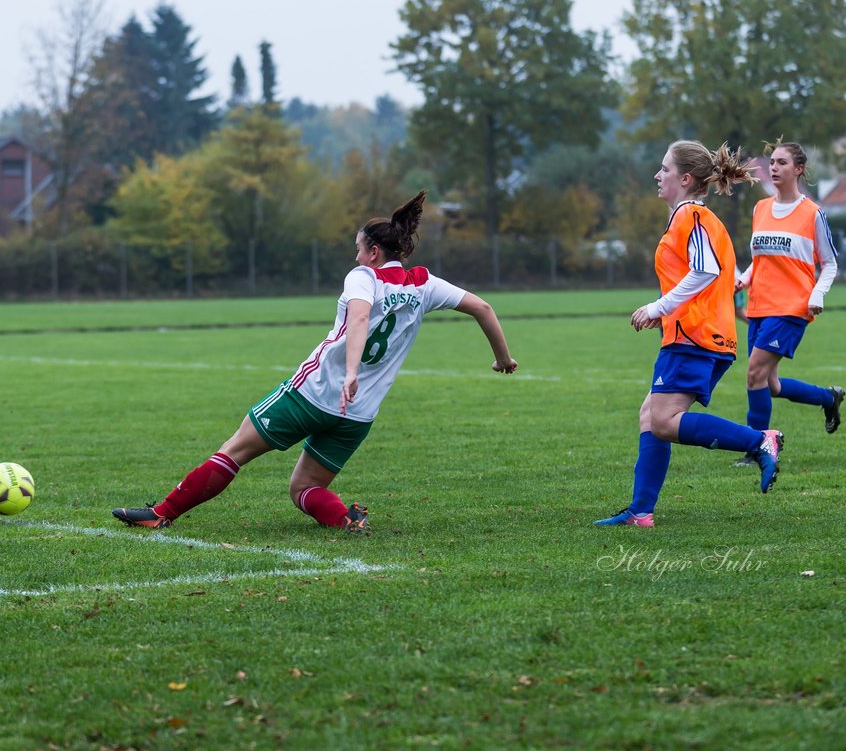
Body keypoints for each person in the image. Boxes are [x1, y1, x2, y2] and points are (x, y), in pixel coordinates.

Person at [112, 191, 518, 534]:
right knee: (304, 488)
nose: (355, 255)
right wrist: (503, 358)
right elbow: (482, 307)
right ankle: (344, 518)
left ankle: (161, 513)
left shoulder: (364, 277)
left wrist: (352, 371)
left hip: (314, 393)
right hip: (358, 414)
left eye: (358, 248)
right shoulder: (424, 284)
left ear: (373, 252)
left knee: (233, 451)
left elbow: (360, 317)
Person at [595, 141, 784, 528]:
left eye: (663, 169)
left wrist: (659, 307)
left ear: (684, 178)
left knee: (664, 420)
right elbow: (717, 275)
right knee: (651, 415)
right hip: (694, 334)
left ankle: (760, 440)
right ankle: (640, 511)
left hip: (695, 336)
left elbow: (706, 271)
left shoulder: (691, 217)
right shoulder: (694, 218)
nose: (656, 175)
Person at [732, 140, 843, 467]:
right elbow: (761, 258)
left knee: (754, 374)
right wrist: (746, 277)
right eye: (772, 162)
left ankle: (757, 447)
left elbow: (830, 264)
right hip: (759, 305)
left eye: (781, 162)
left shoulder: (813, 213)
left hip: (793, 307)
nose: (774, 167)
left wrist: (816, 294)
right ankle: (829, 398)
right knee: (770, 384)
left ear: (798, 169)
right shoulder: (760, 209)